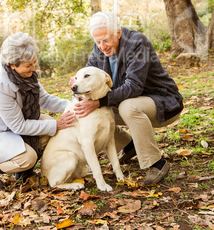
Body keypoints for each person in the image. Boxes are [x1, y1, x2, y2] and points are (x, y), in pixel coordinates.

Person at [73, 11, 183, 185]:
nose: (102, 46)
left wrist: (100, 102)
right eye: (98, 41)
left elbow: (134, 87)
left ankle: (156, 163)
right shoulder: (99, 49)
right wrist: (77, 81)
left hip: (162, 101)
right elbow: (88, 73)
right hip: (128, 101)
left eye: (106, 40)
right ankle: (128, 145)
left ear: (118, 32)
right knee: (94, 109)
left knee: (126, 106)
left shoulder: (137, 42)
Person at [0, 32, 75, 191]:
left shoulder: (27, 76)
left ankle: (24, 175)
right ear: (12, 64)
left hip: (9, 128)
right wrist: (56, 124)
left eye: (34, 62)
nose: (34, 68)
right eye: (28, 65)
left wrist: (73, 106)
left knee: (46, 124)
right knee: (28, 157)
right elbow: (19, 126)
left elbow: (44, 100)